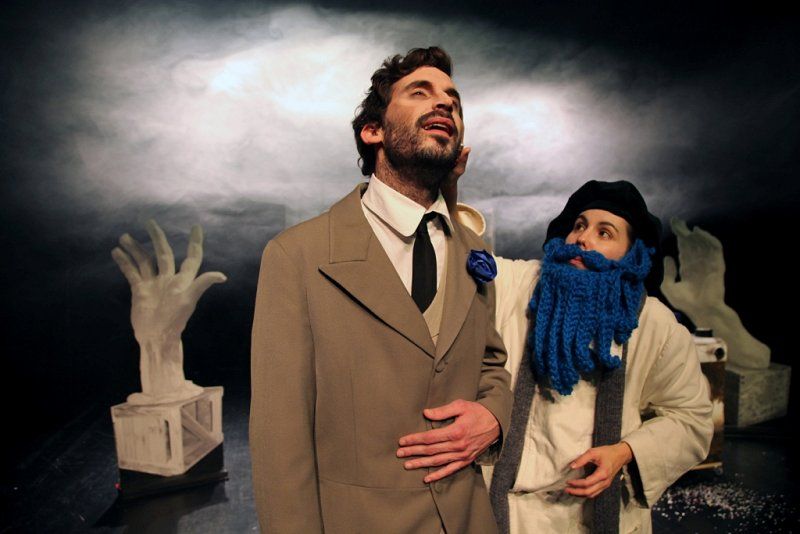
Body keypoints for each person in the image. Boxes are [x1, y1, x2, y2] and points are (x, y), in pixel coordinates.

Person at [250, 47, 513, 534]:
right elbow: (279, 436)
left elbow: (491, 365)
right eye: (420, 92)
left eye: (453, 101)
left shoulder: (474, 251)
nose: (444, 104)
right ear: (373, 131)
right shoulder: (298, 255)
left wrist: (494, 417)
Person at [448, 177, 713, 533]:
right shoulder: (523, 285)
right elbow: (460, 256)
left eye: (605, 233)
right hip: (510, 515)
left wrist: (625, 452)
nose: (582, 239)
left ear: (631, 253)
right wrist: (447, 185)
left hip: (590, 517)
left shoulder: (653, 325)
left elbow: (692, 420)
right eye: (579, 226)